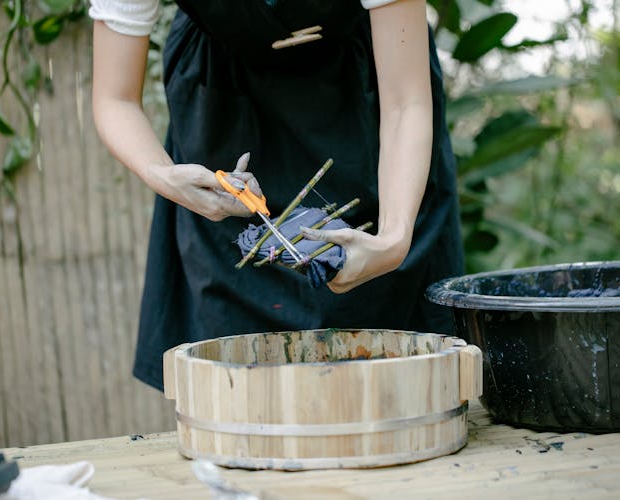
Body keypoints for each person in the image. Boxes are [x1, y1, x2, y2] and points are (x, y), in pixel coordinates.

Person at [90, 0, 464, 391]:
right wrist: (163, 174)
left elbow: (407, 103)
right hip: (222, 107)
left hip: (372, 113)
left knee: (403, 382)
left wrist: (393, 238)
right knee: (237, 388)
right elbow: (115, 99)